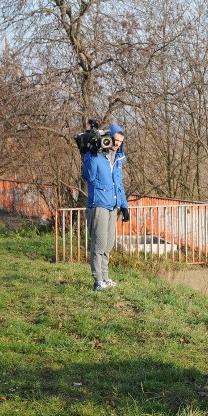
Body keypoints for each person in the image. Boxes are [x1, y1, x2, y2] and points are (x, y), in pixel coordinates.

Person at [81, 123, 129, 291]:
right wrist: (92, 155)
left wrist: (124, 206)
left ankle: (106, 277)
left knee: (108, 245)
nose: (117, 144)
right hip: (99, 205)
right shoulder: (94, 155)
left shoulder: (117, 159)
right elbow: (88, 176)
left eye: (120, 142)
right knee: (99, 245)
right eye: (115, 140)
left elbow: (119, 184)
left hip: (113, 206)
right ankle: (98, 280)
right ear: (107, 138)